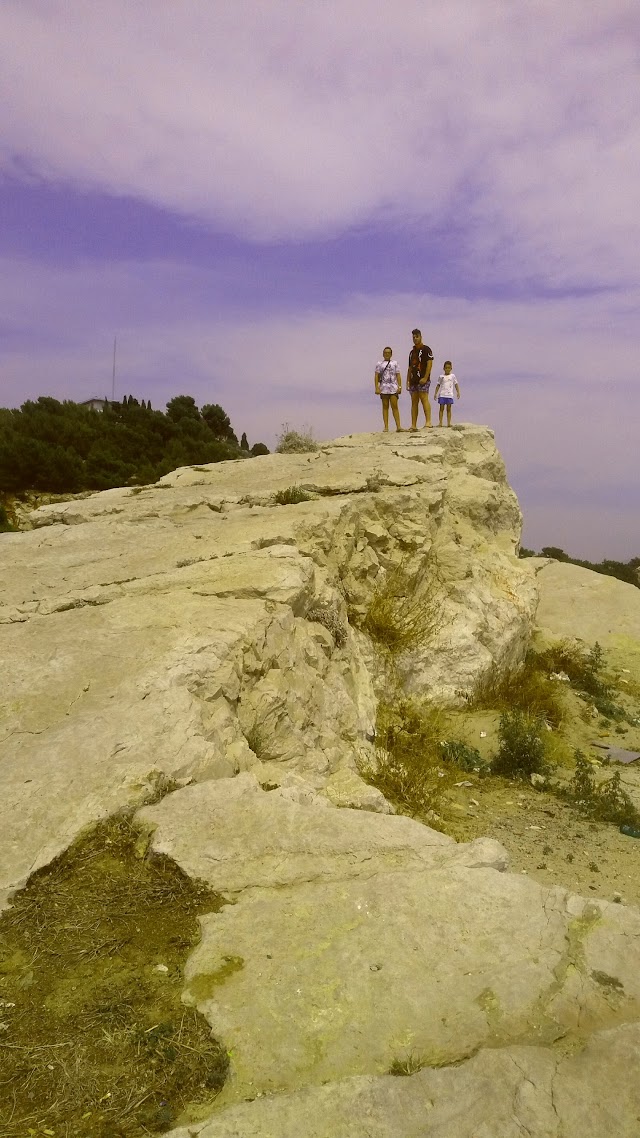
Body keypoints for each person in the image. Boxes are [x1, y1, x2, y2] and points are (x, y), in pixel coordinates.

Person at [406, 328, 434, 429]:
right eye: (413, 337)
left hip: (423, 378)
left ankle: (428, 422)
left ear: (421, 337)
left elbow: (429, 363)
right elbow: (409, 367)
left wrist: (426, 377)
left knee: (424, 398)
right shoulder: (411, 352)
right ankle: (413, 425)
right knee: (414, 401)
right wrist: (408, 381)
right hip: (413, 380)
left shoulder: (426, 349)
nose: (415, 338)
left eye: (417, 336)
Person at [374, 346, 403, 432]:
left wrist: (400, 386)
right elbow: (376, 376)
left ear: (391, 354)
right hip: (384, 387)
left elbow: (398, 375)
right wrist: (377, 387)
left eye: (388, 353)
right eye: (385, 352)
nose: (387, 354)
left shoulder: (395, 363)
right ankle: (386, 427)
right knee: (385, 407)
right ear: (383, 354)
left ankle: (398, 426)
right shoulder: (379, 364)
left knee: (395, 406)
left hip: (393, 387)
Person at [434, 360, 461, 427]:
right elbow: (438, 385)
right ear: (444, 368)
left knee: (449, 409)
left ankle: (448, 423)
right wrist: (435, 393)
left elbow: (456, 384)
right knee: (441, 409)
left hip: (449, 395)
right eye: (446, 368)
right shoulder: (441, 376)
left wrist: (458, 392)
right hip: (442, 394)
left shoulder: (453, 376)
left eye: (449, 368)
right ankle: (440, 423)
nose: (447, 369)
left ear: (451, 368)